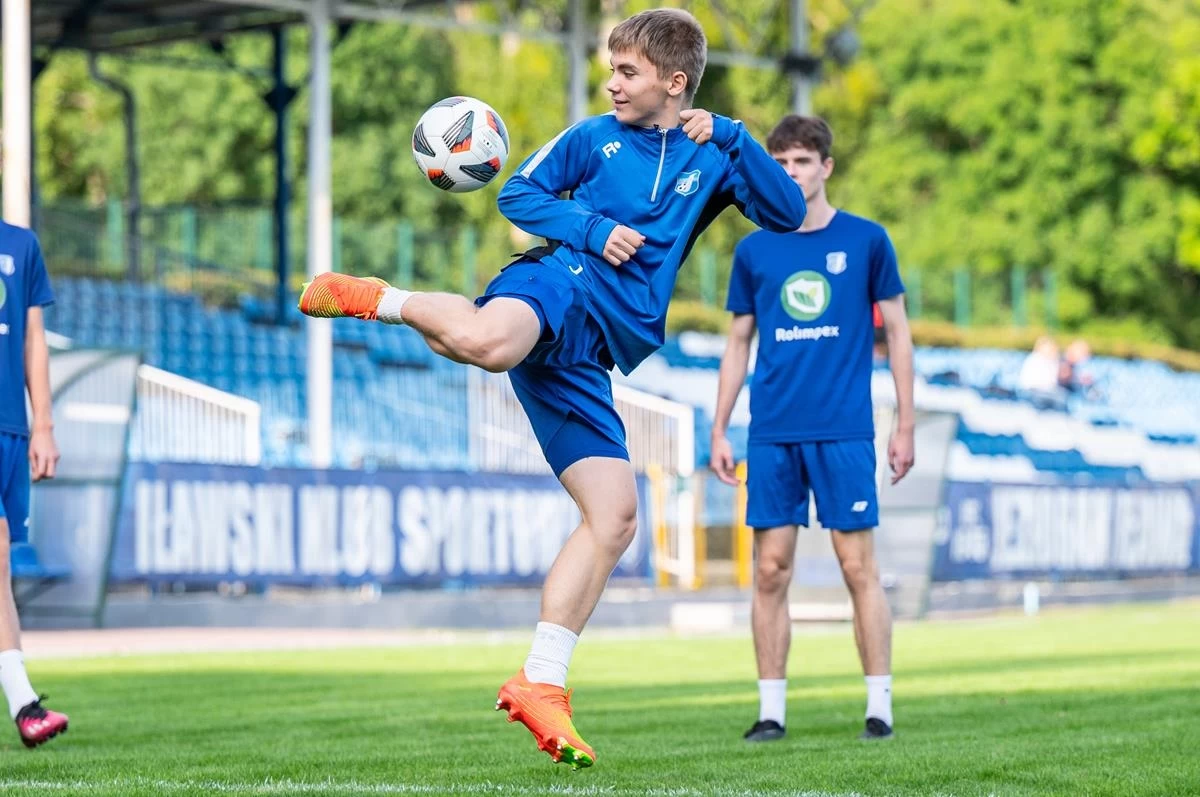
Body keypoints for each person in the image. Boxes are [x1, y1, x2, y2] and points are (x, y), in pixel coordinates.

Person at [296, 8, 806, 768]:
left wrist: (734, 135)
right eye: (610, 69)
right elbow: (518, 195)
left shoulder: (717, 154)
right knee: (487, 342)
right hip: (560, 280)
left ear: (675, 82)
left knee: (616, 515)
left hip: (592, 348)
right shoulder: (592, 138)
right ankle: (381, 298)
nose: (612, 83)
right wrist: (591, 230)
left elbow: (788, 214)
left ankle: (541, 679)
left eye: (627, 72)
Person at [708, 115, 914, 743]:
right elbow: (737, 343)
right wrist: (719, 427)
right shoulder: (754, 250)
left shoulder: (867, 240)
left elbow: (898, 333)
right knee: (771, 569)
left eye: (801, 161)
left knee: (858, 567)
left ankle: (879, 708)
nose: (791, 172)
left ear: (826, 166)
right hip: (773, 431)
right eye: (780, 163)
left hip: (845, 429)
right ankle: (771, 712)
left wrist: (905, 424)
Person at [0, 221, 69, 747]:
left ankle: (23, 703)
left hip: (10, 429)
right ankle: (23, 702)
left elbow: (32, 340)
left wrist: (42, 424)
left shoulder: (20, 245)